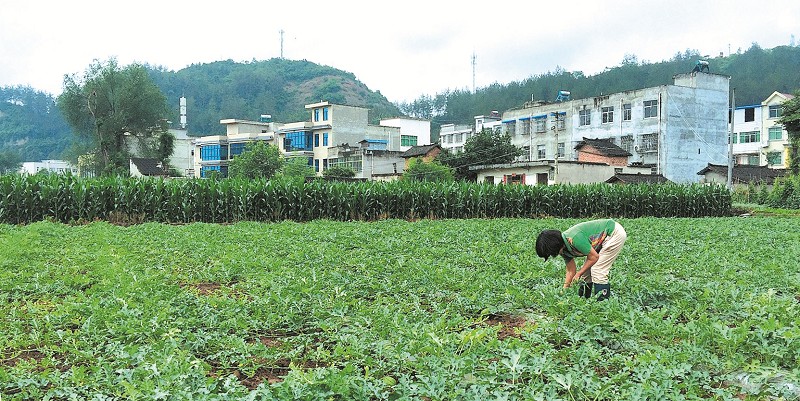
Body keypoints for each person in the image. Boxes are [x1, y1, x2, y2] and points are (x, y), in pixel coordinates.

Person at [535, 219, 627, 301]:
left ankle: (603, 306)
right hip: (600, 240)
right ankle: (584, 301)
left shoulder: (574, 238)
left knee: (598, 270)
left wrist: (579, 273)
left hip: (613, 233)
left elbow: (594, 257)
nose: (553, 254)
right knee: (586, 274)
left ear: (555, 245)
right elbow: (571, 271)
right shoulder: (563, 249)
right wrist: (564, 289)